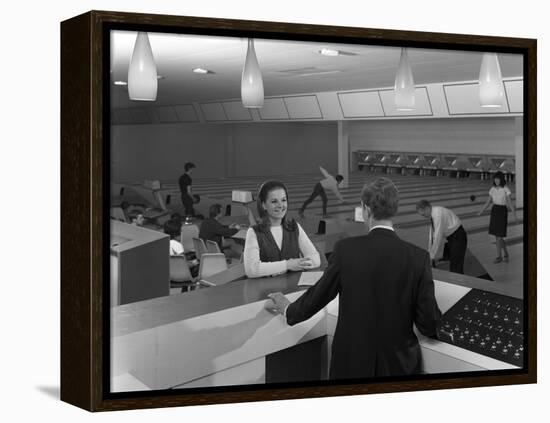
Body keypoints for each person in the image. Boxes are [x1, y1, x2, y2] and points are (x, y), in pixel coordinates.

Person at [266, 177, 441, 379]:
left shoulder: (346, 250)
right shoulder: (418, 258)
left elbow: (319, 295)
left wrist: (289, 310)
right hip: (399, 365)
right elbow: (428, 323)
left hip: (351, 363)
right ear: (394, 209)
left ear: (365, 209)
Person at [244, 180, 321, 278]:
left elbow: (315, 259)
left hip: (293, 289)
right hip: (266, 291)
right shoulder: (254, 232)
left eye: (283, 200)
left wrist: (297, 264)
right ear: (263, 205)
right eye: (274, 201)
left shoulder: (294, 227)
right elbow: (252, 270)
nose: (280, 205)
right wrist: (288, 265)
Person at [416, 199, 468, 274]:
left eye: (423, 214)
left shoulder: (437, 215)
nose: (423, 217)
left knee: (456, 267)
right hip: (453, 238)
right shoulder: (434, 213)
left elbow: (437, 236)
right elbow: (432, 235)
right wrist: (429, 253)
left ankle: (458, 284)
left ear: (427, 208)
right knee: (452, 259)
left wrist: (431, 256)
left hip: (458, 237)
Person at [478, 171, 517, 263]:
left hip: (502, 211)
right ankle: (505, 253)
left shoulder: (506, 189)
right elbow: (488, 202)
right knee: (497, 236)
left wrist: (515, 215)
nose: (496, 180)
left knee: (500, 236)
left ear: (501, 179)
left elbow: (510, 203)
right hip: (494, 211)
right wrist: (481, 211)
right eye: (495, 179)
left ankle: (499, 256)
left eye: (498, 178)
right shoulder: (492, 189)